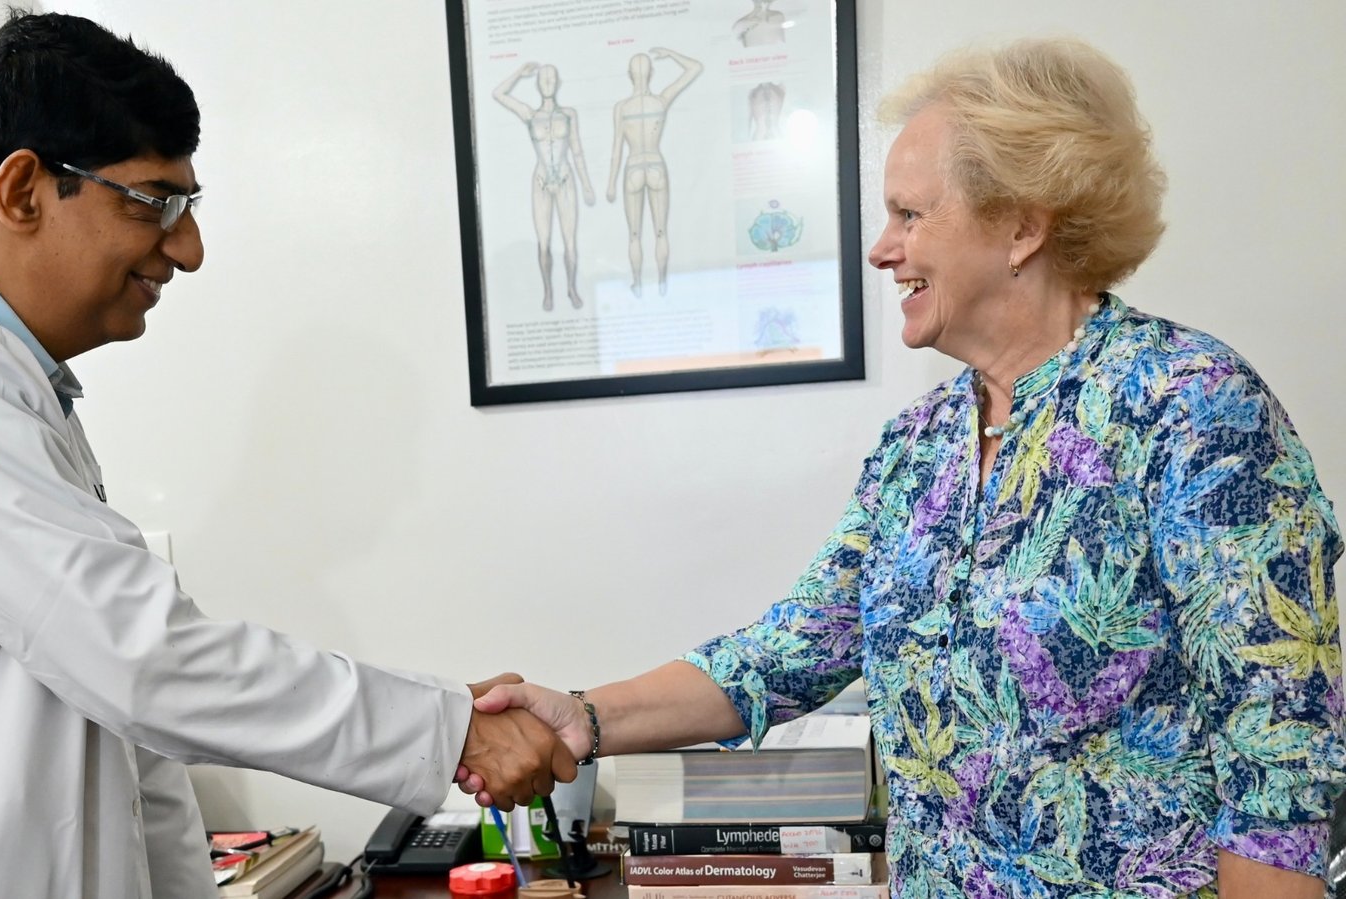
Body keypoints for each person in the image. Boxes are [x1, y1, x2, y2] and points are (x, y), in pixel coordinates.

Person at [468, 38, 1346, 898]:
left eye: (909, 215)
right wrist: (583, 716)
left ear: (1021, 226)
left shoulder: (1190, 405)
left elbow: (1280, 754)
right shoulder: (917, 444)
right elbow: (793, 647)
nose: (882, 249)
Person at [0, 12, 573, 898]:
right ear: (24, 190)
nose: (187, 248)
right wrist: (450, 732)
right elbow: (145, 658)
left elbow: (127, 730)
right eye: (153, 202)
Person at [492, 62, 596, 312]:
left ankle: (571, 287)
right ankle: (548, 291)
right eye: (543, 79)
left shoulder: (569, 114)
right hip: (540, 181)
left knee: (570, 242)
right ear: (537, 85)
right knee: (543, 242)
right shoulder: (530, 115)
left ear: (559, 83)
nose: (548, 82)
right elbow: (498, 94)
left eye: (552, 78)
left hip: (565, 178)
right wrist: (518, 73)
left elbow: (577, 150)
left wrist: (587, 185)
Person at [606, 48, 703, 298]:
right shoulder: (661, 101)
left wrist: (611, 183)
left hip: (634, 165)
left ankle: (638, 282)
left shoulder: (621, 107)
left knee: (634, 234)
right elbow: (695, 68)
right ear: (652, 73)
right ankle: (661, 282)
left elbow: (617, 148)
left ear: (629, 75)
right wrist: (671, 54)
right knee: (661, 230)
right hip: (656, 163)